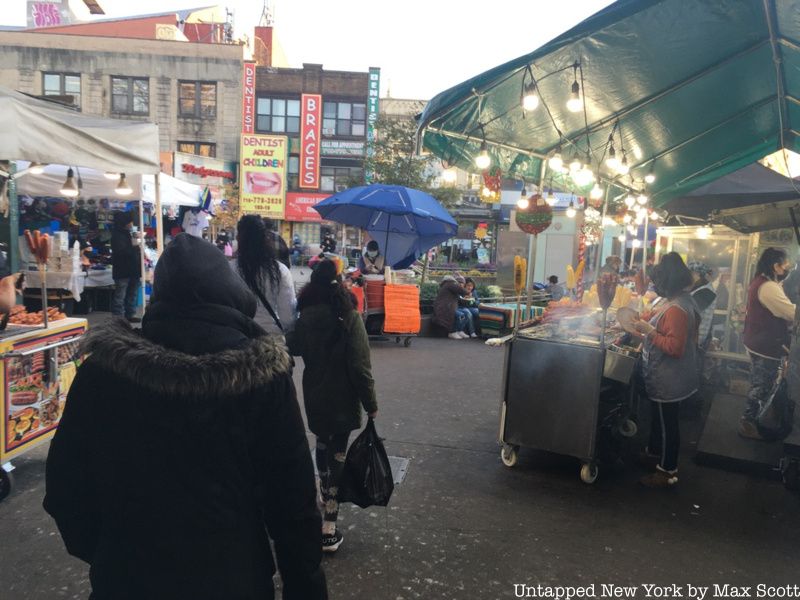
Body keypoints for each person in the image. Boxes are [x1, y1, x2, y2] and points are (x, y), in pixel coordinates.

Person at [43, 234, 328, 600]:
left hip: (126, 580)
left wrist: (109, 551)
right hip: (233, 579)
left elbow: (66, 488)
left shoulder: (103, 373)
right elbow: (294, 506)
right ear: (231, 294)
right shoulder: (261, 379)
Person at [286, 259, 377, 553]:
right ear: (339, 283)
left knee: (323, 445)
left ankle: (324, 493)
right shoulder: (348, 316)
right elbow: (360, 366)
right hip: (343, 398)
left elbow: (293, 346)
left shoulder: (306, 316)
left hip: (315, 396)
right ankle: (329, 526)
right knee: (338, 453)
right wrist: (371, 403)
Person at [633, 252, 699, 488]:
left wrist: (650, 332)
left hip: (669, 377)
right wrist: (647, 325)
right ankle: (654, 454)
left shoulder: (676, 309)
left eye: (657, 283)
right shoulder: (683, 300)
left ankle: (667, 470)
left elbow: (675, 347)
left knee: (667, 424)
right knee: (660, 420)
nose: (655, 286)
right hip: (673, 374)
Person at [740, 247, 796, 440]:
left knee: (761, 383)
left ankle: (754, 419)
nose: (788, 268)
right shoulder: (768, 286)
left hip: (758, 342)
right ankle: (749, 424)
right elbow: (790, 312)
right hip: (765, 345)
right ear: (776, 266)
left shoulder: (764, 281)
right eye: (786, 265)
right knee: (762, 385)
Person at [234, 215, 296, 336]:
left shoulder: (230, 269)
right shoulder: (280, 271)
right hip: (271, 341)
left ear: (239, 238)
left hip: (239, 338)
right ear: (265, 238)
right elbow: (288, 316)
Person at [110, 211, 141, 323]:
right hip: (122, 269)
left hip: (133, 269)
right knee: (121, 294)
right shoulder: (117, 235)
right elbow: (121, 252)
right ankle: (118, 317)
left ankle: (130, 314)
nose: (132, 224)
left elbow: (137, 249)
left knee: (132, 293)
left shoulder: (130, 233)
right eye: (130, 222)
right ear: (125, 223)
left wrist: (137, 242)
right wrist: (134, 246)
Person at [688, 262, 717, 349]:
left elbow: (689, 311)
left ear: (696, 274)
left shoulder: (707, 292)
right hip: (692, 338)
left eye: (689, 273)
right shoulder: (699, 288)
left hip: (695, 340)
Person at [433, 275, 469, 339]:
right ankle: (452, 332)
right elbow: (462, 291)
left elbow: (459, 298)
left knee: (466, 313)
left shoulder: (447, 285)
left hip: (447, 307)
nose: (458, 284)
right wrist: (468, 292)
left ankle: (459, 330)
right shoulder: (450, 284)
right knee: (459, 315)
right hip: (445, 308)